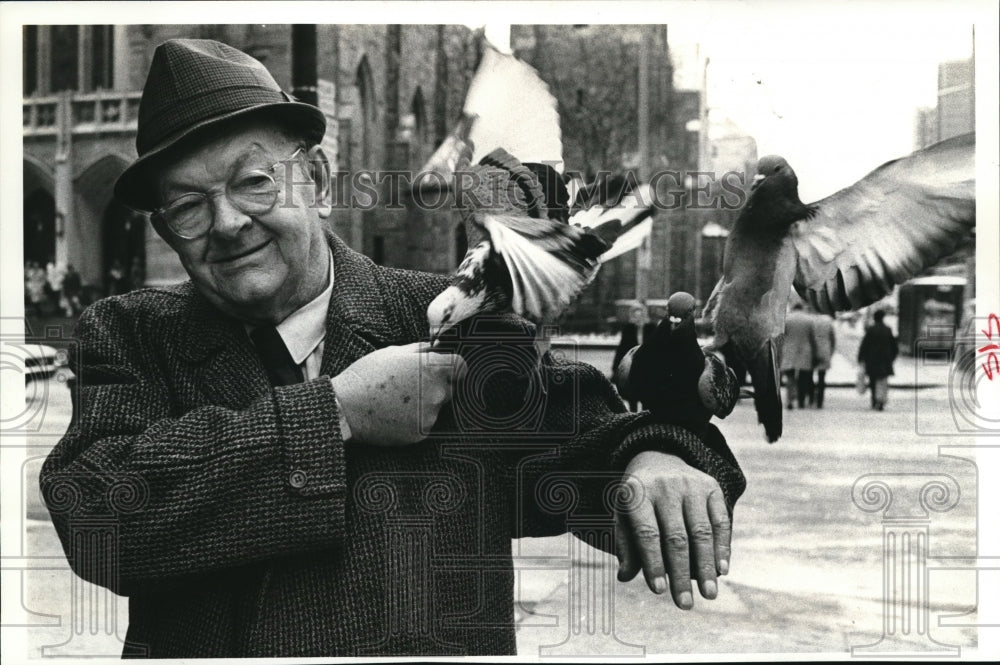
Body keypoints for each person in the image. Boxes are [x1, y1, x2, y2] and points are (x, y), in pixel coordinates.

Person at [39, 39, 745, 658]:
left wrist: (654, 457)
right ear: (166, 231)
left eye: (252, 181)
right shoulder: (130, 336)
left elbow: (585, 443)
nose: (226, 223)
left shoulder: (449, 315)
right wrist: (335, 414)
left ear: (313, 180)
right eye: (188, 206)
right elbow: (97, 516)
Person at [612, 302, 655, 411]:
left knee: (647, 394)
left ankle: (646, 417)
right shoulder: (628, 329)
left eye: (640, 314)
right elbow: (622, 348)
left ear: (644, 315)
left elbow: (657, 345)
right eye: (635, 315)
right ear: (632, 316)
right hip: (632, 365)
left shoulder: (651, 328)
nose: (638, 317)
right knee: (632, 394)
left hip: (648, 366)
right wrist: (616, 367)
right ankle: (634, 417)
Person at [858, 309, 898, 410]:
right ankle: (881, 401)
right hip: (884, 360)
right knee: (883, 381)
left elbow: (864, 345)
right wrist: (892, 358)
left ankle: (874, 400)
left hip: (872, 360)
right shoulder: (888, 329)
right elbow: (894, 346)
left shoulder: (871, 329)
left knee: (872, 381)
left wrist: (860, 357)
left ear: (874, 318)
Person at [780, 302, 814, 409]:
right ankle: (801, 401)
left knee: (790, 377)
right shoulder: (809, 320)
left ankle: (789, 399)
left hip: (789, 350)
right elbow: (812, 337)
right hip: (805, 350)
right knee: (803, 378)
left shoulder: (786, 319)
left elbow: (781, 336)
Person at [810, 311, 836, 409]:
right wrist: (831, 352)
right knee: (822, 377)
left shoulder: (811, 320)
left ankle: (811, 397)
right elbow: (833, 339)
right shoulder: (828, 321)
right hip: (825, 350)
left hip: (812, 351)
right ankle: (820, 401)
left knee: (809, 375)